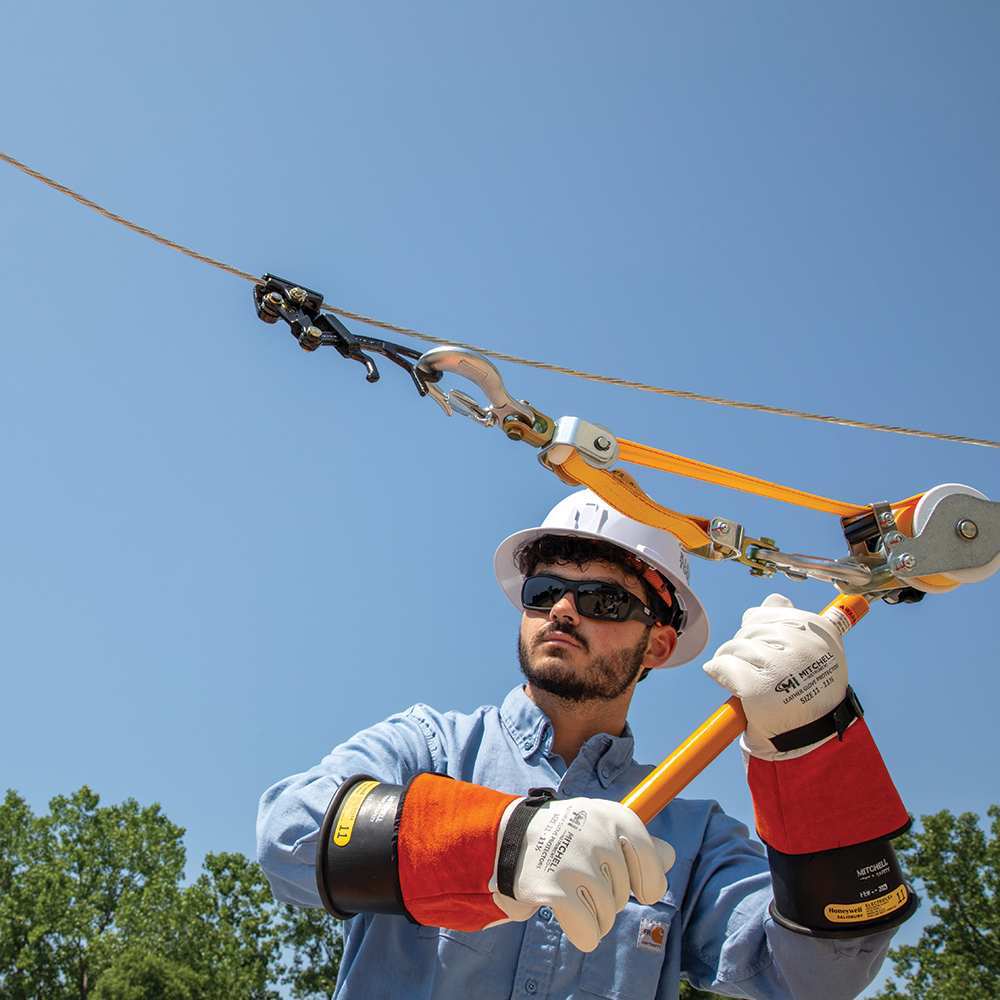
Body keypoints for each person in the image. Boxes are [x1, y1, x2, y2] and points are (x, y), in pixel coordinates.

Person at [257, 489, 915, 999]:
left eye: (601, 600)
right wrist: (507, 844)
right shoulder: (429, 748)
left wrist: (813, 746)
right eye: (545, 592)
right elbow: (289, 837)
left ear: (657, 644)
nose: (563, 611)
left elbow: (811, 979)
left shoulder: (694, 835)